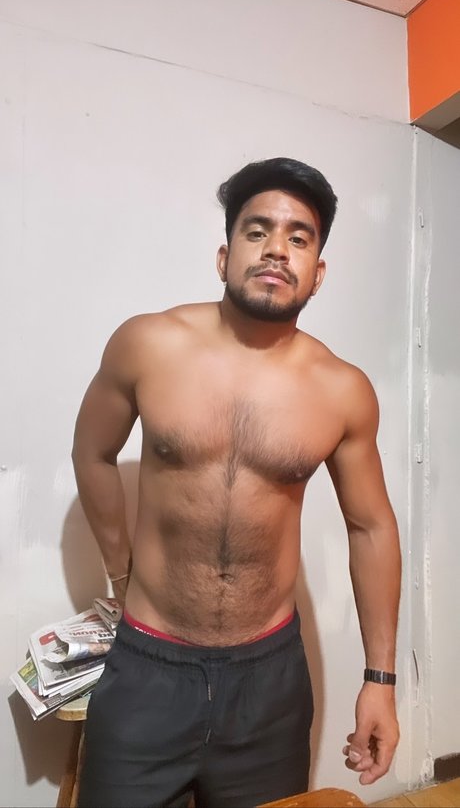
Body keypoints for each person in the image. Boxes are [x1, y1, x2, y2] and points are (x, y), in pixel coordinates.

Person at [72, 157, 401, 808]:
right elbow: (93, 453)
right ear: (224, 257)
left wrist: (380, 680)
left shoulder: (342, 390)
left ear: (318, 273)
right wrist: (120, 571)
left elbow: (371, 527)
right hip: (147, 667)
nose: (277, 248)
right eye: (257, 230)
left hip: (268, 684)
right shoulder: (147, 344)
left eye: (298, 237)